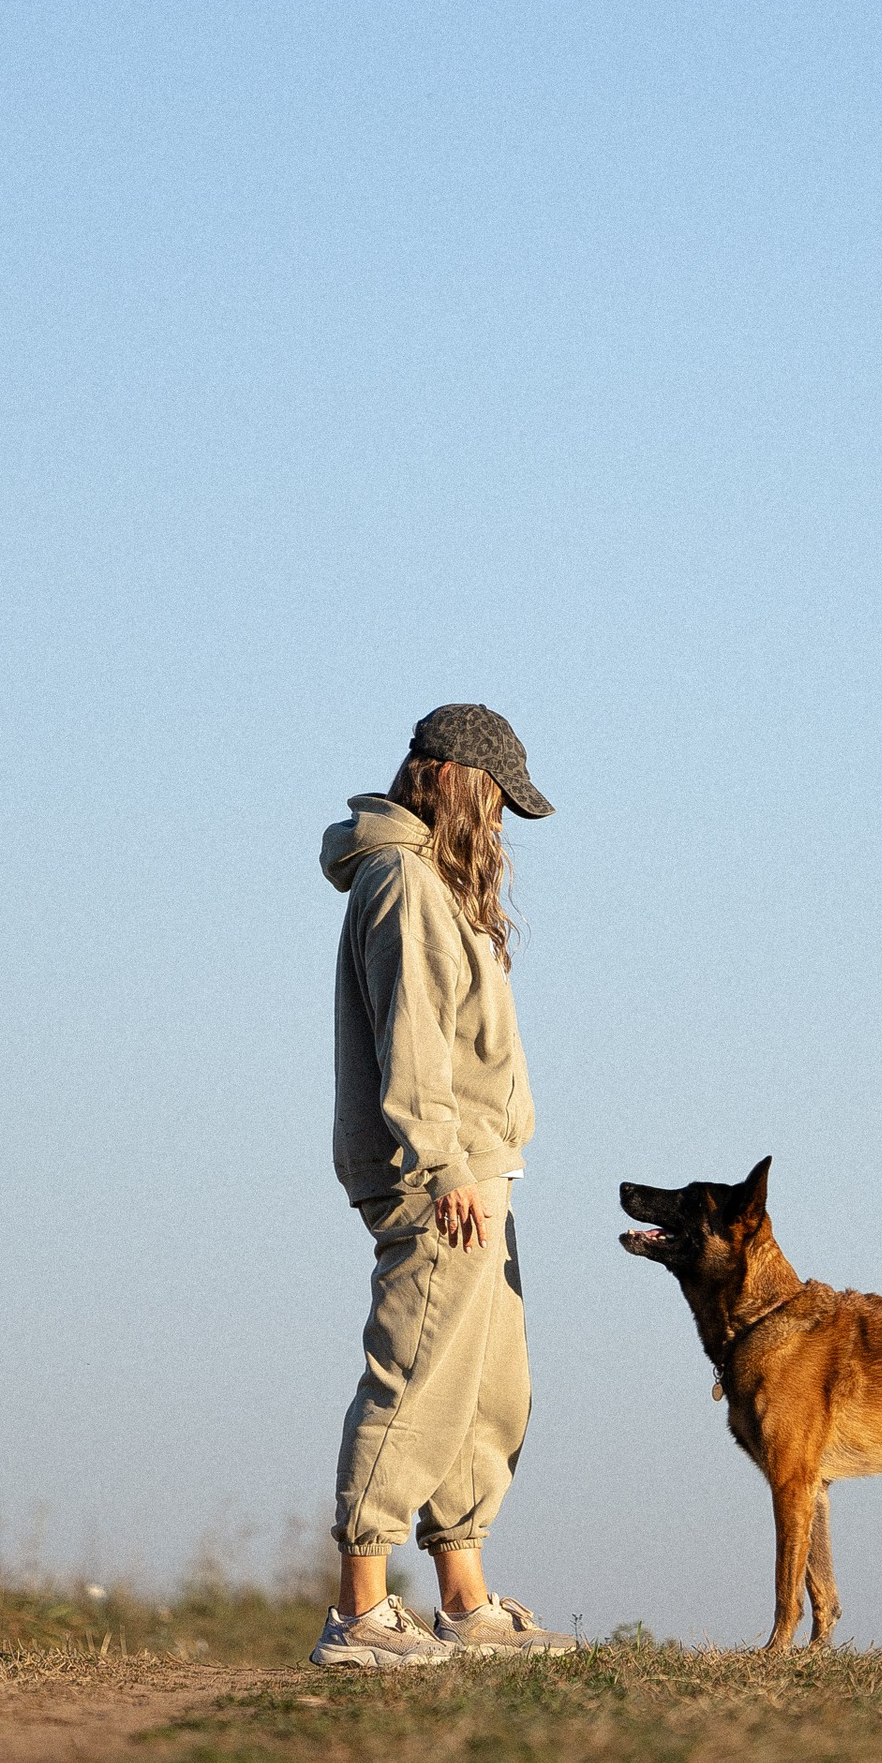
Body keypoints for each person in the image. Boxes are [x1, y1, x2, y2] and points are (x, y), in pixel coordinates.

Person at [312, 704, 577, 1667]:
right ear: (457, 783)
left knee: (489, 1390)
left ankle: (465, 1603)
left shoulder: (429, 883)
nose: (501, 823)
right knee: (417, 1377)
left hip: (475, 1169)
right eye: (499, 801)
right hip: (437, 1173)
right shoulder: (402, 881)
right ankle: (360, 1613)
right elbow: (413, 1038)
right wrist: (443, 1163)